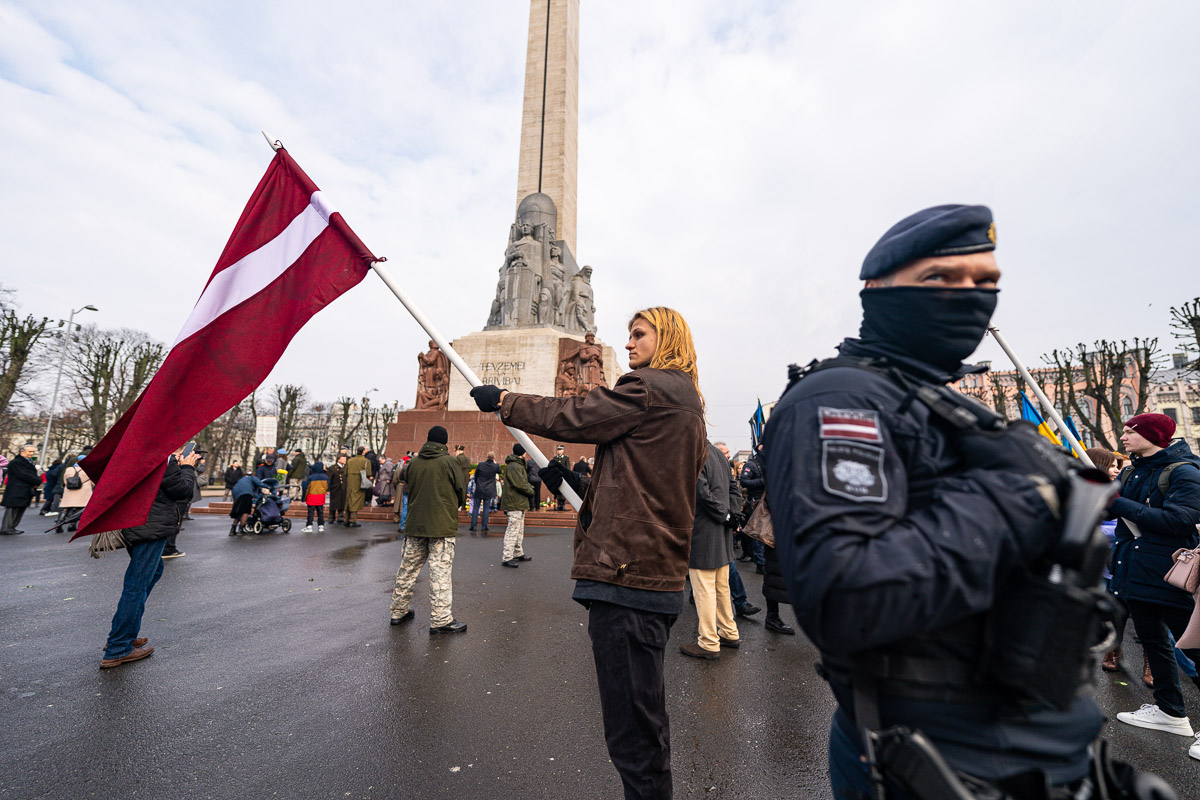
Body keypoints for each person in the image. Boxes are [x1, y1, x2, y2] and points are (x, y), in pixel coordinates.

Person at [764, 205, 1108, 796]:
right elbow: (847, 596)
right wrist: (1016, 501)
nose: (971, 296)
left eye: (985, 282)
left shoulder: (936, 401)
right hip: (943, 759)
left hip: (1036, 743)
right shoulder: (842, 399)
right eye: (940, 279)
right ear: (877, 290)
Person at [470, 306, 707, 800]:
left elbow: (573, 416)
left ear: (668, 339)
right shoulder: (689, 405)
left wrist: (505, 400)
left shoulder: (649, 388)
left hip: (627, 579)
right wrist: (574, 488)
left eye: (640, 334)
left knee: (633, 734)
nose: (629, 344)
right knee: (643, 719)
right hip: (651, 573)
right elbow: (644, 490)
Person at [1109, 413, 1200, 751]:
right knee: (1153, 641)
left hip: (1168, 573)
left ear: (1154, 436)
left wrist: (1120, 503)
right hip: (1134, 571)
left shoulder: (1183, 472)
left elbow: (1181, 520)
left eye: (1131, 431)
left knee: (1191, 647)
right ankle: (1170, 712)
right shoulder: (1133, 470)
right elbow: (1109, 508)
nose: (1124, 436)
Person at [99, 449, 199, 668]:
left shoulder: (138, 454)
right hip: (149, 526)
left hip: (137, 523)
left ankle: (125, 633)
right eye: (181, 445)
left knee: (154, 571)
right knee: (136, 584)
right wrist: (188, 467)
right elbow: (182, 491)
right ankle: (118, 646)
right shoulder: (161, 457)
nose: (183, 449)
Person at [388, 426, 468, 634]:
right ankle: (441, 619)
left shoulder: (413, 463)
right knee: (439, 572)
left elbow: (410, 488)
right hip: (441, 525)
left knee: (407, 569)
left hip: (415, 524)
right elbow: (461, 490)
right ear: (445, 443)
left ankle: (398, 611)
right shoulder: (450, 462)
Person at [681, 441, 742, 660]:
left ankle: (708, 642)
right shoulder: (717, 454)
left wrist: (724, 515)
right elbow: (733, 488)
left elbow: (701, 492)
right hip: (722, 533)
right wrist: (731, 515)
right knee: (721, 587)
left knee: (704, 590)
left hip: (705, 532)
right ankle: (728, 631)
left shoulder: (695, 452)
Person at [500, 444, 535, 567]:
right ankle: (507, 556)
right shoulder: (514, 466)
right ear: (523, 453)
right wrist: (531, 490)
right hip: (514, 503)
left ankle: (518, 552)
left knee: (519, 530)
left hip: (518, 502)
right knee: (513, 530)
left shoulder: (516, 464)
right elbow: (520, 484)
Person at [1, 444, 39, 535]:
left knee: (19, 509)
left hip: (22, 489)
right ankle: (7, 528)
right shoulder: (16, 462)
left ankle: (12, 527)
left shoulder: (27, 462)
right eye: (30, 451)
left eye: (33, 451)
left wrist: (36, 481)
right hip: (16, 490)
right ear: (22, 451)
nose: (32, 453)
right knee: (12, 509)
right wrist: (37, 480)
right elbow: (24, 475)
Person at [57, 453, 94, 534]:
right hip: (83, 491)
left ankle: (59, 523)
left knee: (65, 508)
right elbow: (92, 481)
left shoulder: (69, 469)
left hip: (69, 491)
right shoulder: (87, 469)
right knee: (79, 509)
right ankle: (72, 525)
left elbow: (65, 479)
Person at [469, 453, 499, 533]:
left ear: (487, 456)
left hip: (479, 488)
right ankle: (484, 526)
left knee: (476, 507)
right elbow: (499, 471)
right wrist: (495, 463)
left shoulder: (481, 465)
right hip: (489, 489)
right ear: (494, 457)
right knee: (486, 508)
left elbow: (476, 475)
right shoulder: (495, 466)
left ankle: (473, 525)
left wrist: (477, 483)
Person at [344, 446, 372, 527]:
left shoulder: (350, 460)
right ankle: (353, 520)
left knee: (349, 499)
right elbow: (368, 473)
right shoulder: (366, 461)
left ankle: (346, 520)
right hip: (360, 482)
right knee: (356, 500)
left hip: (350, 482)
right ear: (363, 452)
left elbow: (345, 472)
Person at [301, 461, 330, 532]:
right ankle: (321, 526)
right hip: (321, 496)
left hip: (312, 496)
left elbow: (305, 487)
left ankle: (309, 526)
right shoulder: (325, 477)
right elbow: (328, 487)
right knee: (320, 511)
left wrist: (303, 497)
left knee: (311, 512)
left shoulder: (310, 477)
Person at [328, 455, 347, 525]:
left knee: (342, 502)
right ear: (338, 460)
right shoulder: (332, 468)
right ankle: (331, 517)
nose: (345, 460)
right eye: (343, 459)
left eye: (345, 459)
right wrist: (328, 489)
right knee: (334, 503)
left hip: (343, 488)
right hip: (335, 488)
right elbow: (329, 479)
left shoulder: (346, 468)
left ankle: (340, 517)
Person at [551, 445, 571, 511]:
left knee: (563, 491)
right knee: (558, 490)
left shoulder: (566, 458)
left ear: (563, 451)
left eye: (560, 450)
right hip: (557, 476)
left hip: (563, 476)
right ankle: (559, 504)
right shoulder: (555, 458)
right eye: (558, 450)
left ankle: (563, 504)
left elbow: (567, 467)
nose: (559, 451)